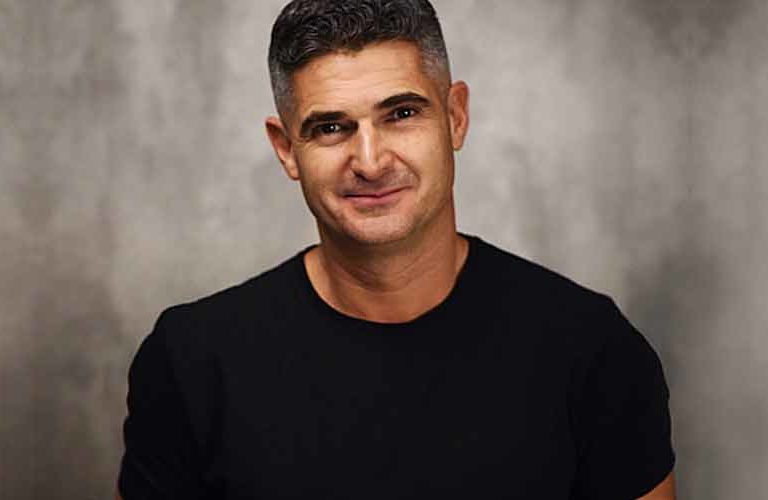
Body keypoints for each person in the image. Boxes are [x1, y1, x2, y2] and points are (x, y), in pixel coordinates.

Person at [117, 0, 676, 498]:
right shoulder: (192, 362)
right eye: (331, 127)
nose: (370, 161)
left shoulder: (591, 350)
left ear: (455, 117)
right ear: (286, 150)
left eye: (402, 114)